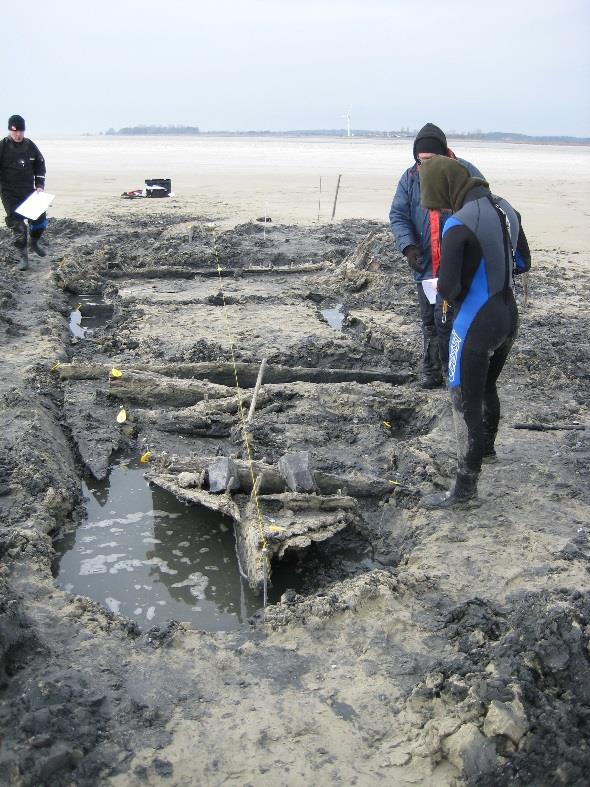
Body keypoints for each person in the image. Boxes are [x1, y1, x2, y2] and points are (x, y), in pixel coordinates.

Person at [417, 156, 531, 508]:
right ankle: (488, 449)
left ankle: (464, 491)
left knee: (464, 400)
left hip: (475, 322)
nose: (438, 209)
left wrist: (451, 287)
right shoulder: (505, 208)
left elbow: (449, 288)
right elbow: (524, 262)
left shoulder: (459, 223)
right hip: (508, 314)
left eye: (436, 202)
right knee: (487, 387)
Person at [389, 123, 484, 388]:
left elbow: (483, 210)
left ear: (443, 155)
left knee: (460, 319)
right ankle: (432, 371)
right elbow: (398, 215)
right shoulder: (409, 178)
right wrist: (408, 246)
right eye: (421, 161)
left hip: (461, 265)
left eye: (430, 160)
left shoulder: (466, 172)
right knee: (430, 321)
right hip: (426, 266)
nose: (425, 166)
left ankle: (460, 371)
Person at [0, 114, 47, 270]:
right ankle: (23, 258)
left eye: (21, 131)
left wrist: (39, 184)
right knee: (18, 226)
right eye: (15, 131)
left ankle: (34, 243)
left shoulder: (30, 145)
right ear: (9, 130)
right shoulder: (3, 146)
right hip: (9, 193)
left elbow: (40, 164)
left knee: (40, 221)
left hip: (29, 190)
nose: (18, 135)